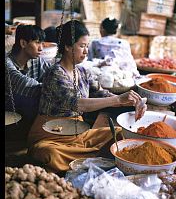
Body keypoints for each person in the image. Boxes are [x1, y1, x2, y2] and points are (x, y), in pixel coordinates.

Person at [27, 20, 147, 173]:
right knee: (49, 154)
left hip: (77, 133)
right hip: (50, 136)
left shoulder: (83, 72)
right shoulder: (55, 73)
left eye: (87, 46)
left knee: (118, 134)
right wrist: (118, 99)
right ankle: (88, 159)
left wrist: (134, 102)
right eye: (82, 46)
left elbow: (102, 94)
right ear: (68, 46)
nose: (86, 51)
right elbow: (78, 104)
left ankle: (85, 158)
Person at [5, 24, 52, 127]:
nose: (41, 48)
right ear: (23, 43)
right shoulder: (7, 63)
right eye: (37, 43)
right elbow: (24, 83)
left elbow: (53, 72)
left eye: (42, 43)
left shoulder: (36, 60)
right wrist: (54, 89)